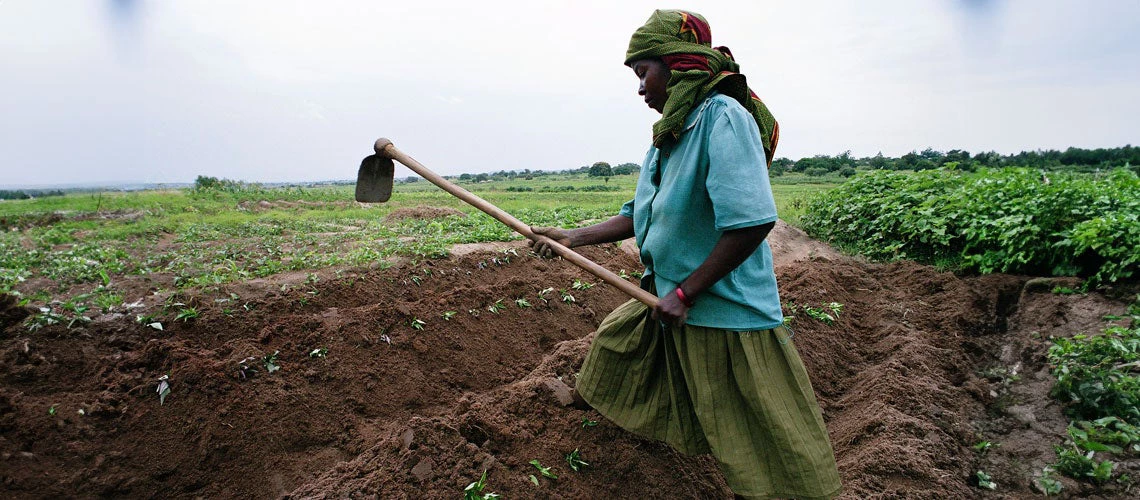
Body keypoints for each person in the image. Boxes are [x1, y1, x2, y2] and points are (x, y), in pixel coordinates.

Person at [529, 9, 841, 500]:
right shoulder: (668, 138)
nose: (640, 89)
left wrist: (686, 291)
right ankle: (596, 431)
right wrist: (573, 237)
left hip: (723, 308)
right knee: (615, 345)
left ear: (678, 65)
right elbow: (640, 214)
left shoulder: (723, 118)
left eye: (643, 73)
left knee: (758, 438)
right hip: (667, 293)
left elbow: (754, 219)